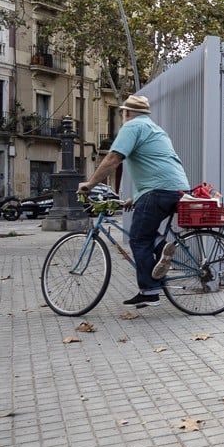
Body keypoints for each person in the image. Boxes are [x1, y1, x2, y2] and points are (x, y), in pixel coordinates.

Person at [78, 95, 189, 307]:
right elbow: (155, 164)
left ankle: (150, 291)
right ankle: (163, 248)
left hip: (156, 191)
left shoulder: (131, 127)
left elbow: (113, 159)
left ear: (126, 113)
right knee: (147, 235)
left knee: (138, 239)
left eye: (122, 113)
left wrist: (89, 184)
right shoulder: (156, 129)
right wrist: (136, 198)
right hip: (177, 189)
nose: (122, 116)